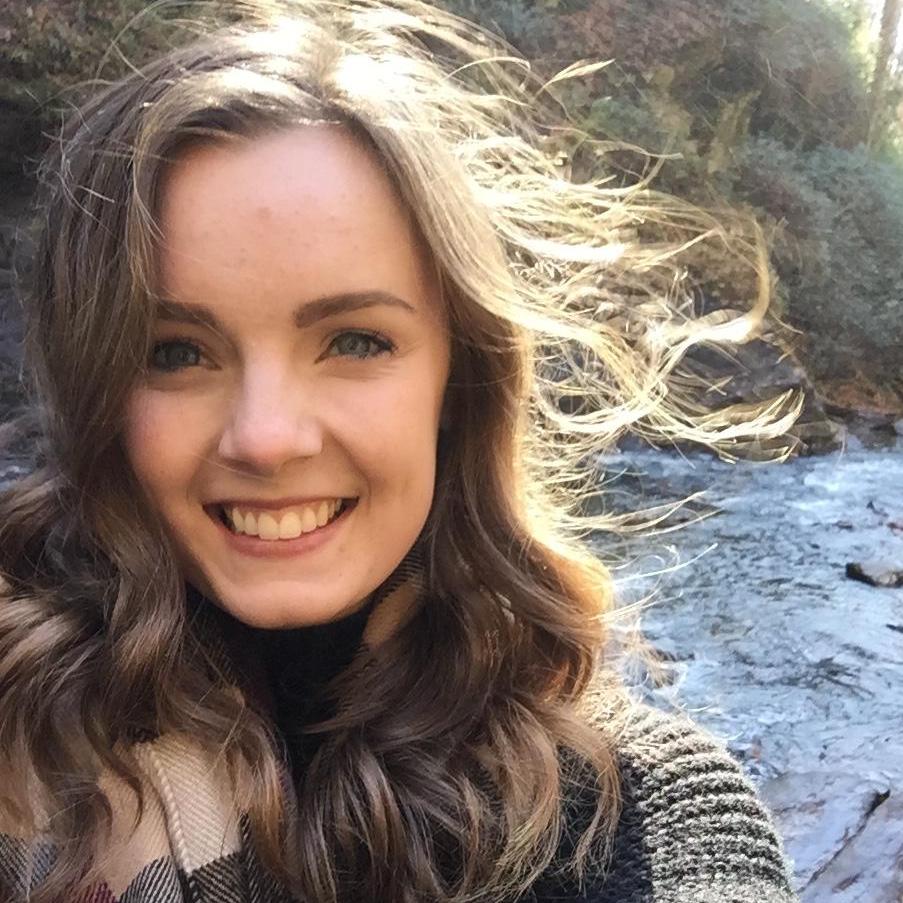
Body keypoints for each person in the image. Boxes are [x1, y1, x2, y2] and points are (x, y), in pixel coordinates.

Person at [0, 1, 799, 901]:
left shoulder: (634, 814)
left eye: (354, 341)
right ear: (97, 391)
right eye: (176, 352)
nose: (266, 437)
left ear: (458, 380)